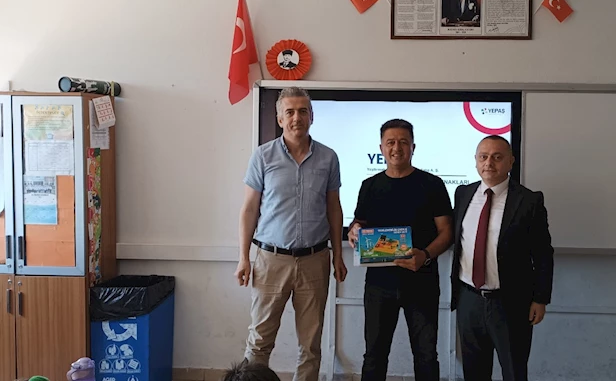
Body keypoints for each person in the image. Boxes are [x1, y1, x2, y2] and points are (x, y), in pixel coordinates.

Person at [235, 87, 348, 381]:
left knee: (310, 345)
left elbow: (334, 208)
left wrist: (337, 255)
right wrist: (243, 257)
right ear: (280, 118)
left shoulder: (328, 158)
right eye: (290, 112)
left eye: (302, 111)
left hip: (315, 260)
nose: (297, 117)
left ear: (312, 116)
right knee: (259, 341)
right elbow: (249, 209)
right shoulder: (263, 156)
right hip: (270, 261)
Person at [347, 119, 453, 381]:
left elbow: (447, 232)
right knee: (374, 355)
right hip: (379, 285)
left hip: (422, 282)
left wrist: (425, 256)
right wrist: (354, 230)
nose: (397, 148)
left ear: (413, 147)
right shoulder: (369, 185)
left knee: (426, 356)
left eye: (403, 142)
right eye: (391, 142)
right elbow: (360, 223)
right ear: (381, 148)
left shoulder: (432, 184)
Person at [450, 135, 554, 381]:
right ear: (476, 161)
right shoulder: (463, 194)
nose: (489, 163)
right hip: (469, 300)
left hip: (511, 303)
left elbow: (542, 253)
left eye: (497, 157)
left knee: (514, 371)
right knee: (474, 372)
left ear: (511, 161)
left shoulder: (529, 201)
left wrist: (540, 298)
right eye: (483, 157)